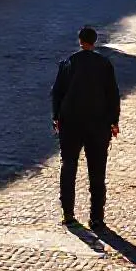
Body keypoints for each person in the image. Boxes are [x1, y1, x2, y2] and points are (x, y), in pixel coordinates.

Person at [52, 26, 120, 230]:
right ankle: (97, 217)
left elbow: (57, 93)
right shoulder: (104, 64)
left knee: (69, 165)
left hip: (71, 123)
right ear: (95, 41)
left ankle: (68, 213)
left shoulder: (68, 63)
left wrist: (56, 117)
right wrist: (114, 122)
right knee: (97, 171)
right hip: (98, 124)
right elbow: (113, 95)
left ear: (80, 40)